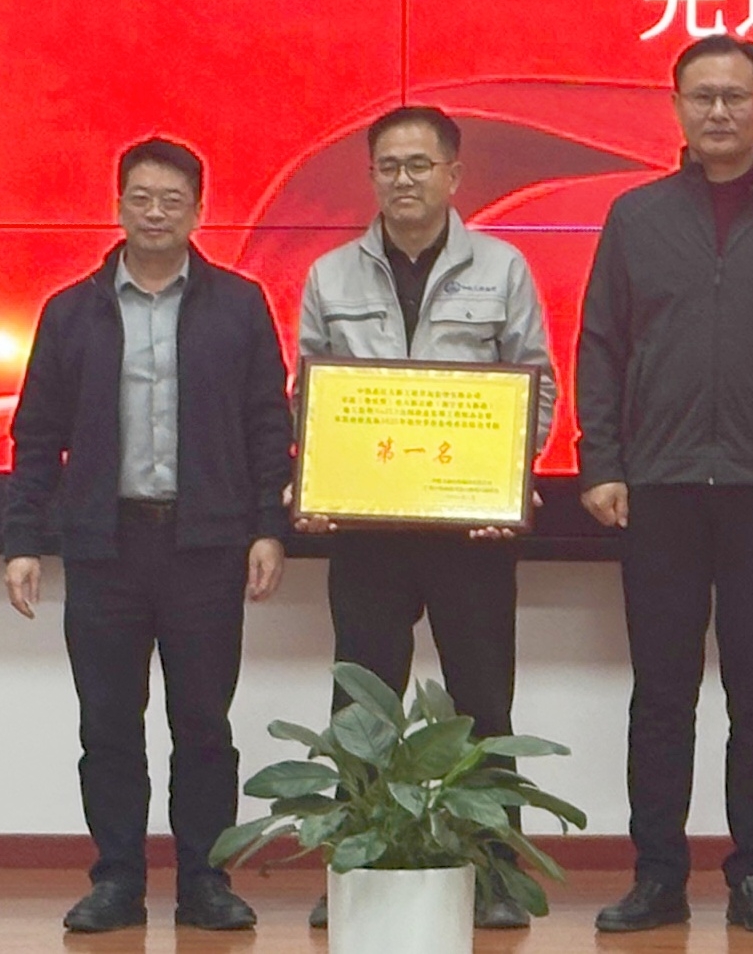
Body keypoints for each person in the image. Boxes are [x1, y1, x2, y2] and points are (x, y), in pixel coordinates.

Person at [575, 35, 753, 937]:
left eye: (737, 95)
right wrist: (600, 461)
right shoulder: (636, 216)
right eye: (703, 96)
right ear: (677, 108)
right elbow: (601, 345)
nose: (720, 112)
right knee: (661, 696)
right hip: (657, 486)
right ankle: (657, 873)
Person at [1, 138, 292, 934]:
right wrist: (22, 540)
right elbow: (37, 435)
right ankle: (117, 881)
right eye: (141, 198)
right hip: (106, 547)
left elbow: (269, 425)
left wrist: (269, 528)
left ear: (199, 211)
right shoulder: (72, 311)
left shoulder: (239, 306)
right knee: (108, 726)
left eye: (172, 200)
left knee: (204, 727)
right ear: (118, 205)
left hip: (207, 547)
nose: (155, 213)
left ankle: (205, 880)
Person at [296, 104, 556, 931]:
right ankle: (355, 865)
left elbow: (536, 384)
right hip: (367, 532)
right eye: (388, 167)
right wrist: (316, 480)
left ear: (453, 174)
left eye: (419, 165)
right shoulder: (330, 275)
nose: (403, 180)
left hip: (470, 533)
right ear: (372, 177)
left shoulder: (503, 268)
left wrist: (508, 483)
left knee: (482, 700)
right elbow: (308, 392)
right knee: (361, 705)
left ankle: (497, 874)